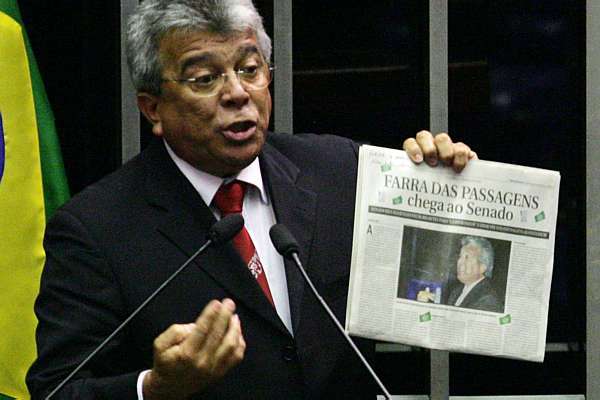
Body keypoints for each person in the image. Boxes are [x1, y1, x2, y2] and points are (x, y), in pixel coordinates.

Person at [26, 1, 476, 399]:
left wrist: (446, 185)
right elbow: (58, 389)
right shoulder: (95, 229)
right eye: (204, 78)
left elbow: (440, 284)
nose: (237, 93)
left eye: (249, 68)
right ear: (152, 108)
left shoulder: (343, 171)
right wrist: (155, 388)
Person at [446, 236, 503, 313]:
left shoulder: (488, 300)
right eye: (460, 256)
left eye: (467, 257)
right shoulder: (456, 291)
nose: (459, 262)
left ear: (482, 267)